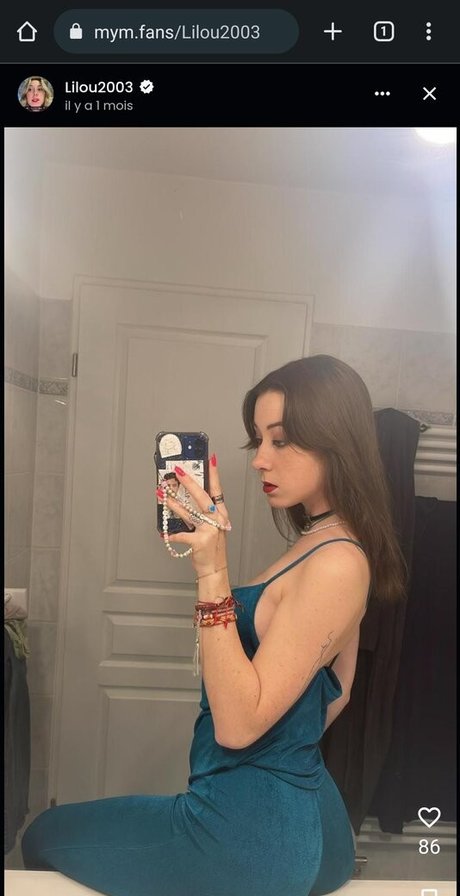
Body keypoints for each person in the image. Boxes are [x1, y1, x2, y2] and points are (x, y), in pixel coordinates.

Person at [22, 355, 406, 896]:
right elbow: (336, 692)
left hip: (248, 842)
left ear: (334, 440)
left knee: (43, 835)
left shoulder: (336, 562)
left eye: (280, 440)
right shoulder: (332, 542)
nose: (260, 460)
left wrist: (212, 569)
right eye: (258, 441)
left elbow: (237, 728)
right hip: (306, 828)